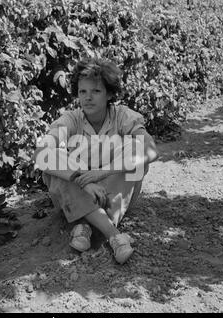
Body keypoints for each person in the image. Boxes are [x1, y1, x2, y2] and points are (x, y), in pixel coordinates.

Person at [34, 57, 158, 264]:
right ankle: (113, 234)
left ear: (109, 93)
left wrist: (103, 172)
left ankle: (85, 226)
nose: (88, 98)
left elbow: (151, 149)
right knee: (53, 161)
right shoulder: (71, 119)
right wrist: (83, 179)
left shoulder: (123, 117)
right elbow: (41, 152)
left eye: (96, 91)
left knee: (136, 154)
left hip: (113, 191)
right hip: (81, 188)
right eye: (83, 92)